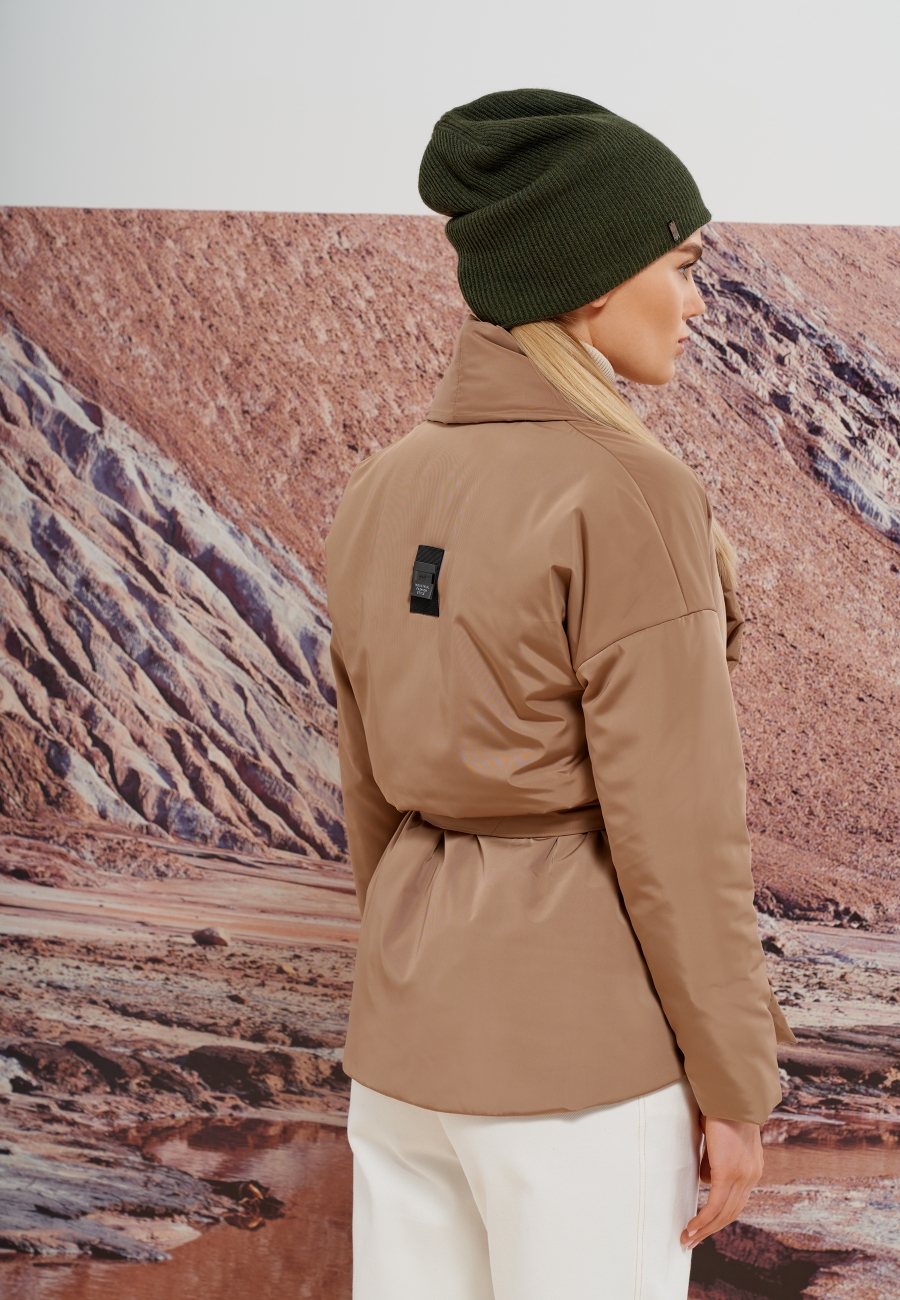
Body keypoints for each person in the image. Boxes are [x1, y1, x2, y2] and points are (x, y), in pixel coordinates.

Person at [326, 88, 795, 1300]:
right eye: (682, 266)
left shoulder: (383, 486)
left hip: (405, 1056)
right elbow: (679, 832)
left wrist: (416, 980)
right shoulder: (630, 494)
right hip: (580, 1075)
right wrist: (736, 1089)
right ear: (592, 281)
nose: (696, 301)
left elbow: (371, 797)